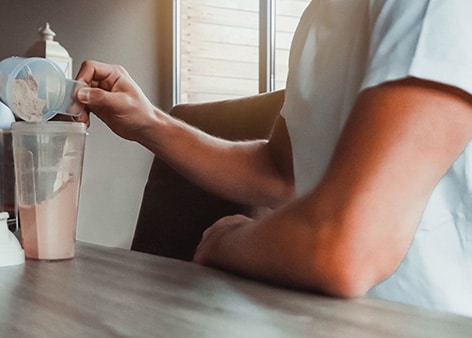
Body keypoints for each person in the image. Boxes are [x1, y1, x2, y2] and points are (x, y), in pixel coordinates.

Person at [72, 0, 472, 317]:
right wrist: (149, 122)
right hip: (316, 318)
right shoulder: (320, 16)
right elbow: (281, 171)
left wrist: (223, 242)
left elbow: (343, 248)